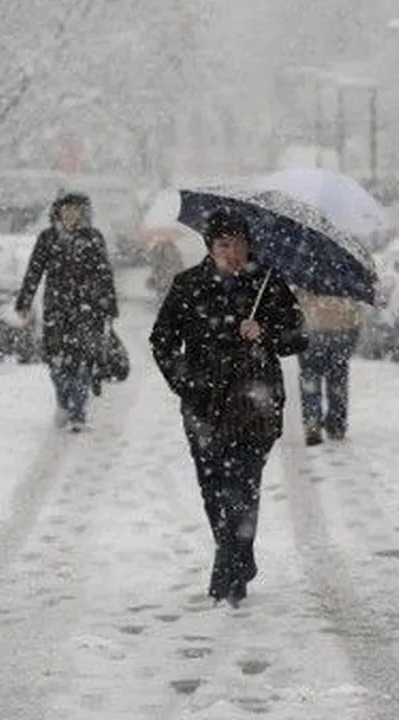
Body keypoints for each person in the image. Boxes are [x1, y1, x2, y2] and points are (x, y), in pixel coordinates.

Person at [150, 209, 306, 607]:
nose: (233, 252)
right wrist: (187, 384)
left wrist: (266, 332)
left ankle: (227, 573)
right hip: (204, 405)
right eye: (224, 244)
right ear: (209, 247)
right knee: (213, 488)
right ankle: (239, 553)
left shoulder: (268, 283)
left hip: (256, 403)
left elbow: (297, 337)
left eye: (239, 243)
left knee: (244, 485)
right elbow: (162, 341)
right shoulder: (189, 286)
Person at [15, 192, 118, 431]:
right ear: (58, 212)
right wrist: (24, 302)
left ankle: (78, 414)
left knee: (82, 363)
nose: (71, 213)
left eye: (76, 209)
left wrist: (109, 306)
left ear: (84, 213)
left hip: (87, 311)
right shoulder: (48, 238)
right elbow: (34, 271)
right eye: (66, 209)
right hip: (56, 311)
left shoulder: (93, 238)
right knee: (56, 364)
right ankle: (63, 400)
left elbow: (105, 275)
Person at [292, 287, 365, 446]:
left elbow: (294, 301)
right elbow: (358, 306)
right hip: (342, 329)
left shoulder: (302, 271)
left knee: (310, 376)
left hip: (311, 328)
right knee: (337, 378)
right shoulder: (348, 274)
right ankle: (336, 422)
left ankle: (312, 421)